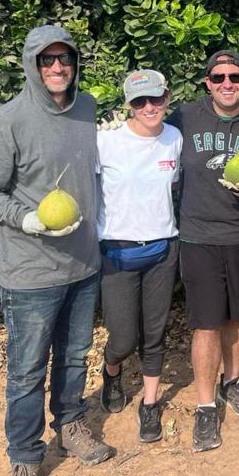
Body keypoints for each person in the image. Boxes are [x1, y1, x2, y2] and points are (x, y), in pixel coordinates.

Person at [0, 25, 115, 476]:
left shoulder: (89, 109)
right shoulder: (6, 122)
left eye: (65, 59)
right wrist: (25, 218)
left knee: (75, 357)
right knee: (27, 370)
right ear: (32, 64)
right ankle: (25, 459)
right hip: (30, 271)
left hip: (83, 264)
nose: (57, 68)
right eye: (47, 60)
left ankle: (70, 425)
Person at [167, 50, 239, 452]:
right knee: (205, 323)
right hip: (198, 236)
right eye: (218, 78)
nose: (227, 83)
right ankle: (204, 406)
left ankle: (232, 382)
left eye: (235, 76)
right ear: (207, 83)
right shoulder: (183, 118)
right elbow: (150, 140)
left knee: (238, 318)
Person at [96, 70, 182, 444]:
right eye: (139, 102)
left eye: (156, 99)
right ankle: (112, 370)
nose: (149, 107)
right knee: (123, 337)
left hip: (163, 247)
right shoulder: (105, 141)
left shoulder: (174, 139)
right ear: (128, 105)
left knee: (154, 332)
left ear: (167, 98)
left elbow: (174, 186)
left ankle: (149, 404)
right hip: (117, 251)